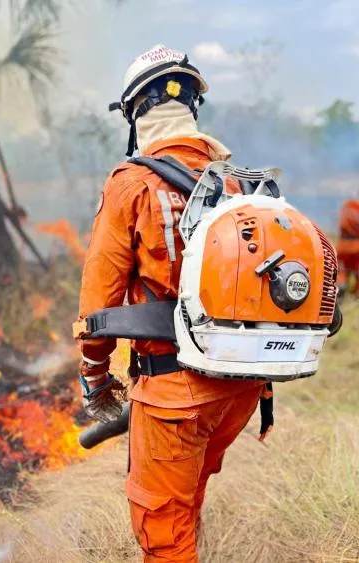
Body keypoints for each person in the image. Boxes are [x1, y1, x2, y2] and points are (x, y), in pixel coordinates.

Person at [74, 45, 266, 562]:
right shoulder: (237, 185)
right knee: (188, 496)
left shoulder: (132, 183)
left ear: (135, 113)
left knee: (162, 527)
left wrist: (95, 378)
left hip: (176, 392)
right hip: (242, 386)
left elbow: (98, 304)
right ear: (192, 109)